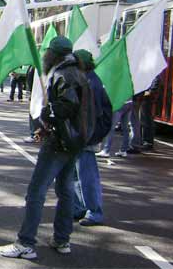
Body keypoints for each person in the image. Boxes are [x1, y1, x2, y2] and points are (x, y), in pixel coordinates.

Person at [0, 36, 90, 260]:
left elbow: (67, 106)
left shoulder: (62, 74)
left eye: (48, 52)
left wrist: (47, 114)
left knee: (36, 192)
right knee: (66, 192)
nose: (45, 55)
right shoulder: (78, 72)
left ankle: (25, 243)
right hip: (74, 142)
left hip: (59, 143)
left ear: (54, 54)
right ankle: (62, 239)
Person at [72, 49, 111, 226]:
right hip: (82, 135)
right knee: (75, 174)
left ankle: (93, 211)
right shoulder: (90, 79)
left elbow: (89, 114)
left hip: (84, 137)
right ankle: (80, 207)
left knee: (86, 175)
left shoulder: (89, 83)